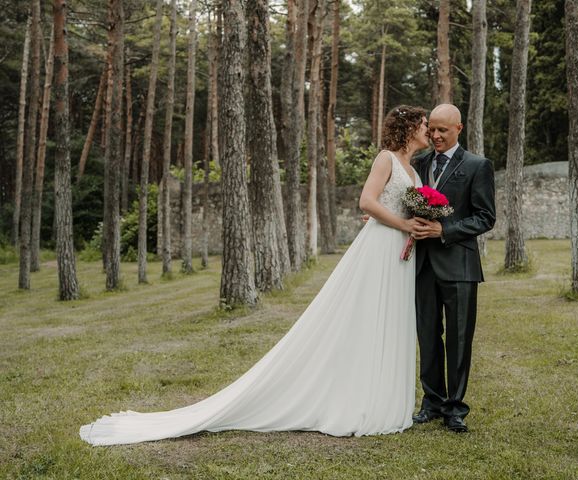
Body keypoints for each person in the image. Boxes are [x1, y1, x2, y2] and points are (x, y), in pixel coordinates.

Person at [79, 106, 431, 446]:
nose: (428, 129)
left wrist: (412, 227)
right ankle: (353, 400)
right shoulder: (385, 158)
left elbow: (390, 206)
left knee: (390, 321)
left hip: (398, 251)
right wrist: (402, 224)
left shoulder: (412, 168)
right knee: (365, 319)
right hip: (379, 248)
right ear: (408, 127)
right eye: (424, 123)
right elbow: (366, 202)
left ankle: (382, 398)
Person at [411, 103, 496, 433]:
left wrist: (444, 231)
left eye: (442, 130)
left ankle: (455, 407)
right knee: (428, 336)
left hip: (460, 265)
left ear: (459, 129)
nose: (434, 135)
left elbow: (485, 217)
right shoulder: (417, 164)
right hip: (422, 266)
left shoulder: (478, 166)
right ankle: (431, 401)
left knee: (459, 339)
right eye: (431, 129)